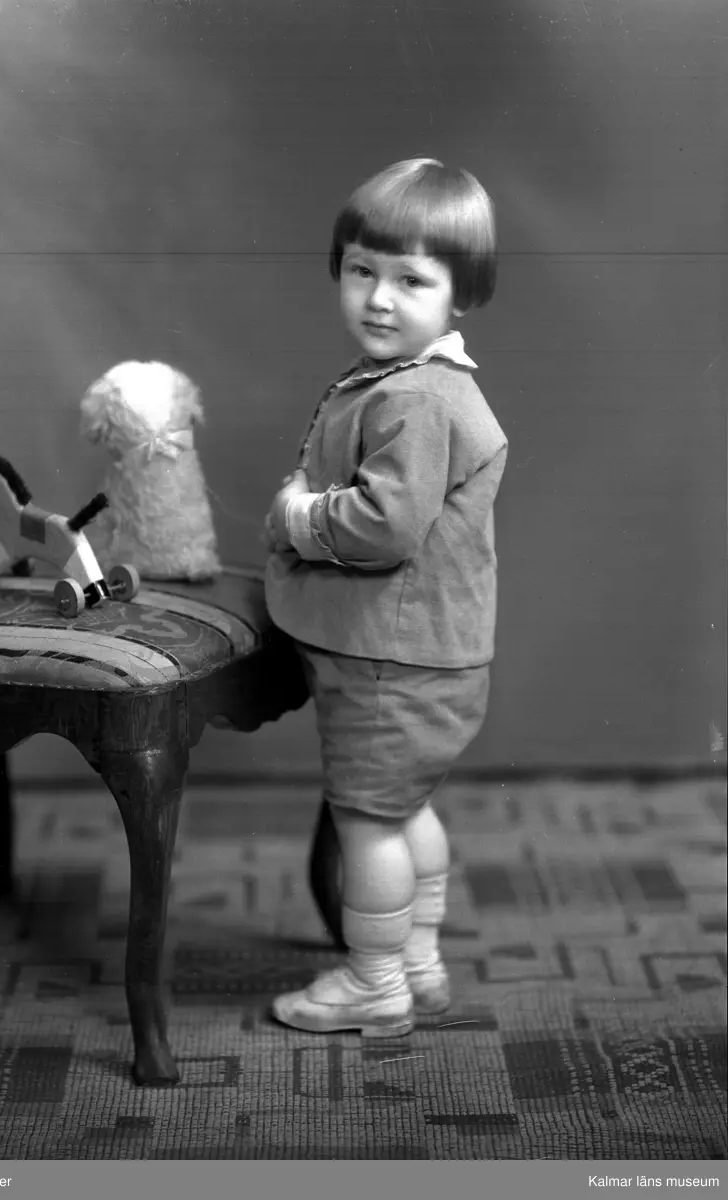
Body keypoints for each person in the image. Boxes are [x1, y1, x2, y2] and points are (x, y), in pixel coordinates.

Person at [263, 157, 508, 1037]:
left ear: (460, 295)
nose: (378, 299)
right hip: (427, 656)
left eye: (412, 280)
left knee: (367, 822)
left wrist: (298, 516)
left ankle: (374, 981)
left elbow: (385, 526)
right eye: (362, 270)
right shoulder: (424, 383)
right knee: (405, 810)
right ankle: (419, 961)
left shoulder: (418, 399)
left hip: (388, 662)